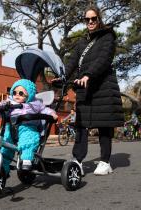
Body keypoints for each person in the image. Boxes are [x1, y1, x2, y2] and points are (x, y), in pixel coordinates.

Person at [53, 5, 124, 176]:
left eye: (94, 19)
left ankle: (105, 162)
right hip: (85, 88)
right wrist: (63, 77)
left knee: (104, 125)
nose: (90, 22)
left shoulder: (107, 37)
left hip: (103, 86)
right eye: (87, 19)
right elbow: (72, 62)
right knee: (81, 125)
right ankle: (77, 160)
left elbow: (104, 59)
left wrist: (88, 74)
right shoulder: (82, 42)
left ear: (99, 19)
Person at [0, 79, 58, 174]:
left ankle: (27, 158)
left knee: (29, 139)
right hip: (11, 128)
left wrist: (52, 113)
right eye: (14, 92)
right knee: (5, 146)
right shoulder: (9, 102)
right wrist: (0, 108)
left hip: (27, 127)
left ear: (29, 95)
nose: (17, 95)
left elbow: (45, 109)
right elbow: (1, 111)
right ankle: (2, 168)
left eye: (21, 93)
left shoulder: (35, 104)